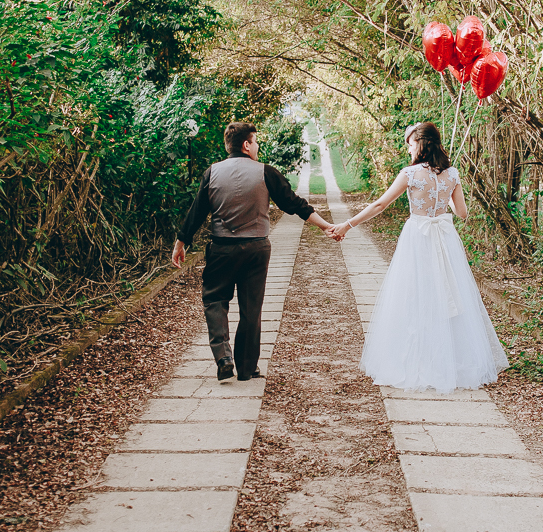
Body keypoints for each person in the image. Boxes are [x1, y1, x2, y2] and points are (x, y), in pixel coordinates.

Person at [329, 122, 508, 392]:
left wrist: (347, 225)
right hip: (444, 238)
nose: (408, 148)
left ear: (422, 144)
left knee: (414, 294)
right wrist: (444, 194)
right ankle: (451, 362)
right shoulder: (452, 174)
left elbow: (380, 204)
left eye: (411, 143)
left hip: (419, 237)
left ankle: (417, 361)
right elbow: (462, 213)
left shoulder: (410, 173)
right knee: (447, 293)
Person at [172, 122, 336, 381]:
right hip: (257, 249)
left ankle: (223, 356)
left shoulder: (212, 173)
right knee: (251, 307)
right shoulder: (266, 172)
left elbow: (197, 211)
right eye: (255, 142)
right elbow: (294, 204)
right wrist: (326, 226)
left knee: (214, 299)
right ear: (246, 145)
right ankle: (247, 369)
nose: (258, 147)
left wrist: (181, 242)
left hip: (221, 249)